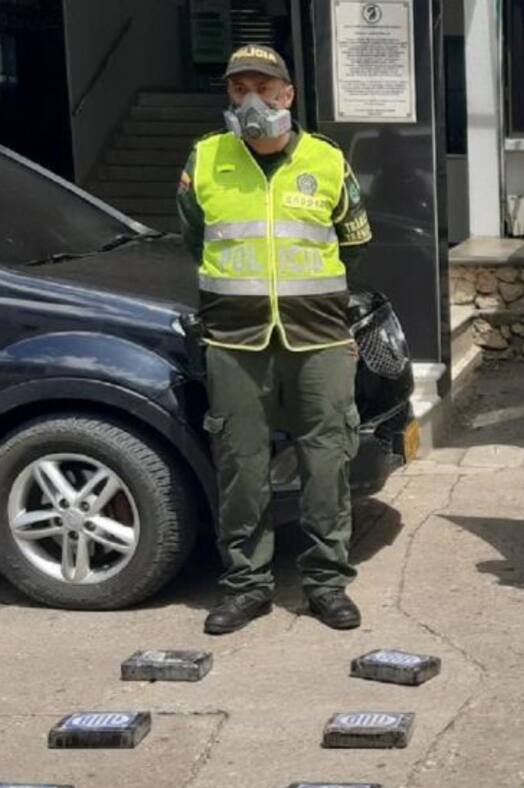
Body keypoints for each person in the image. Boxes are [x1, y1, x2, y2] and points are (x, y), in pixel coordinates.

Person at [176, 45, 373, 635]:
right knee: (240, 462)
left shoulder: (328, 160)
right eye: (240, 90)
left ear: (288, 95)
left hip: (317, 337)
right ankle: (246, 585)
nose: (253, 100)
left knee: (327, 460)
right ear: (229, 97)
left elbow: (355, 242)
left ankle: (326, 583)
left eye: (265, 88)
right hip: (235, 340)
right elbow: (193, 237)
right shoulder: (205, 160)